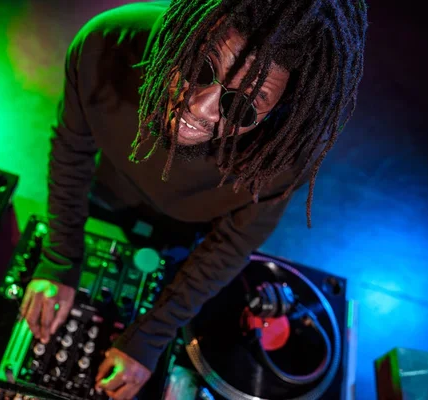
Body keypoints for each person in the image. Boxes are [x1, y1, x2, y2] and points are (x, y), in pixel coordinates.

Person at [19, 0, 368, 398]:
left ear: (275, 113)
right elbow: (72, 148)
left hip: (190, 226)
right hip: (109, 185)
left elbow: (232, 243)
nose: (198, 108)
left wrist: (150, 337)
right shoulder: (107, 42)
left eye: (241, 107)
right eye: (201, 68)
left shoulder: (286, 152)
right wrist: (61, 258)